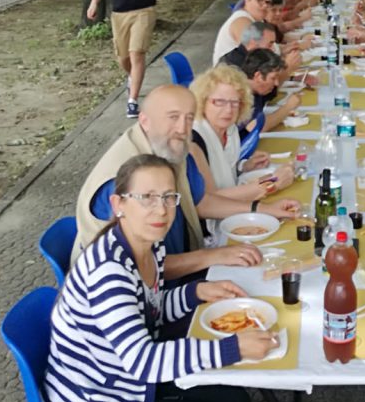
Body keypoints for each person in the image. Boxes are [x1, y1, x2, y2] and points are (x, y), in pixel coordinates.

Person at [46, 154, 276, 402]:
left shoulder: (145, 246)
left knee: (234, 401)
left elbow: (149, 310)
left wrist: (196, 292)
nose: (162, 209)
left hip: (125, 385)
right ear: (118, 204)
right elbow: (144, 362)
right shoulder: (109, 273)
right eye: (147, 197)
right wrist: (232, 348)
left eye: (169, 197)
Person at [74, 84, 300, 279]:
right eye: (173, 117)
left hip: (176, 278)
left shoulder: (170, 148)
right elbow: (137, 265)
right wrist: (212, 256)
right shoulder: (121, 182)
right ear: (144, 120)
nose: (182, 129)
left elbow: (201, 202)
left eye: (189, 118)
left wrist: (265, 210)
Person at [190, 65, 295, 241]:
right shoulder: (195, 140)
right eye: (219, 102)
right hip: (214, 234)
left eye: (235, 102)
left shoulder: (229, 130)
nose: (228, 109)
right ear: (202, 101)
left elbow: (225, 170)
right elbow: (211, 199)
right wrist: (271, 183)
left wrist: (243, 167)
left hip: (236, 213)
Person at [238, 48, 303, 132]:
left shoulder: (257, 92)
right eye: (273, 78)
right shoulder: (239, 95)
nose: (276, 83)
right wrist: (287, 108)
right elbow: (253, 128)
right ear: (258, 76)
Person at [212, 0, 272, 64]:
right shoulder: (242, 21)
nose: (264, 5)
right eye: (259, 0)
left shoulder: (256, 19)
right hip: (228, 70)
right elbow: (256, 55)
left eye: (268, 2)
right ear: (247, 0)